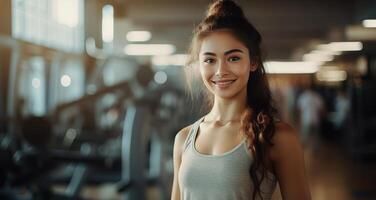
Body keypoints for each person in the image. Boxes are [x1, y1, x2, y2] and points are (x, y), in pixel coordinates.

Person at [171, 1, 311, 200]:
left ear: (253, 62)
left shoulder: (277, 137)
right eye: (210, 60)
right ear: (199, 65)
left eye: (233, 58)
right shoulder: (183, 139)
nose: (221, 71)